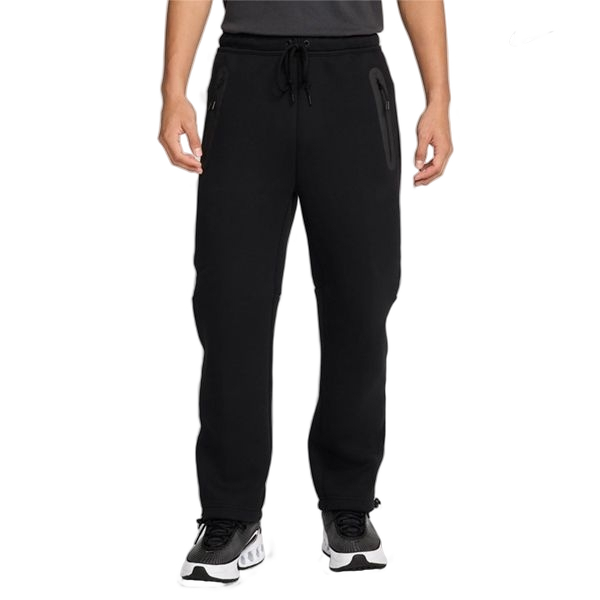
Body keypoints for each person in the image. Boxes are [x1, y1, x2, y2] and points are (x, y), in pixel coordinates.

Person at [160, 0, 455, 583]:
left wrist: (440, 99)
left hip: (354, 80)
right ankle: (230, 514)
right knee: (230, 303)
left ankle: (350, 507)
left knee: (361, 300)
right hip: (245, 77)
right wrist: (173, 91)